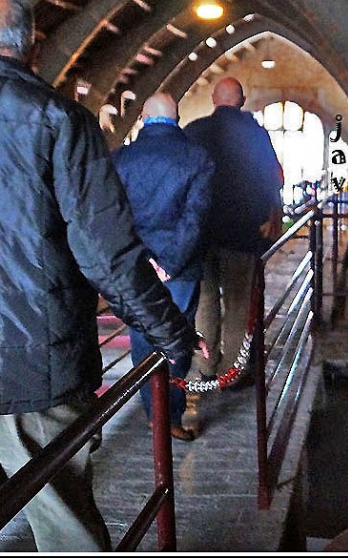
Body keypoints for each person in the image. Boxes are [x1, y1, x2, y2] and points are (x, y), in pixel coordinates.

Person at [0, 0, 199, 551]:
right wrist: (170, 333)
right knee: (63, 524)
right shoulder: (58, 120)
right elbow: (107, 254)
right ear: (32, 47)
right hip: (36, 372)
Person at [112, 92, 216, 441]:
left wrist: (141, 260)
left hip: (137, 267)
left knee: (142, 337)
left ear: (142, 117)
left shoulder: (121, 159)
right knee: (177, 338)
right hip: (180, 267)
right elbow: (195, 218)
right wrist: (170, 263)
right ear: (178, 117)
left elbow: (115, 218)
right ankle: (169, 417)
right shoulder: (197, 158)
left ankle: (152, 414)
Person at [184, 77, 284, 388]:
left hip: (201, 232)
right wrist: (271, 211)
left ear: (214, 99)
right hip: (243, 231)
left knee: (205, 299)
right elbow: (273, 178)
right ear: (241, 100)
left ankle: (206, 364)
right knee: (240, 303)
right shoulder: (256, 134)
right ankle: (233, 370)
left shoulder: (194, 131)